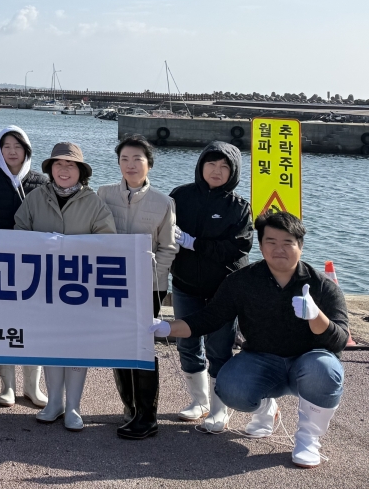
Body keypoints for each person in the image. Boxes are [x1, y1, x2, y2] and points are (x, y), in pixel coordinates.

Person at [156, 212, 349, 469]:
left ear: (300, 246)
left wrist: (316, 316)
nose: (278, 249)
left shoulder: (323, 286)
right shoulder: (242, 281)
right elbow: (208, 319)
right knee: (230, 389)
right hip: (262, 358)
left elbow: (339, 341)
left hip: (310, 360)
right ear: (260, 245)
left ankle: (308, 437)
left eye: (288, 242)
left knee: (324, 370)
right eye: (271, 241)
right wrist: (165, 328)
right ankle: (266, 408)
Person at [13, 142, 115, 431]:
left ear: (81, 171)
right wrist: (39, 244)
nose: (64, 169)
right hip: (42, 285)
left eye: (70, 165)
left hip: (79, 288)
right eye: (58, 164)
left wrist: (74, 247)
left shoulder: (93, 202)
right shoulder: (35, 198)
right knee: (49, 343)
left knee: (76, 346)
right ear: (50, 169)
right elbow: (19, 232)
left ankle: (74, 406)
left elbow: (108, 242)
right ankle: (54, 401)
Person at [97, 135, 177, 440]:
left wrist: (154, 279)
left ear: (149, 164)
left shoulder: (163, 202)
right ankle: (129, 408)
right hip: (111, 284)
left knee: (142, 346)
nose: (130, 165)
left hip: (149, 286)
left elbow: (169, 247)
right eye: (124, 159)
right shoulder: (102, 194)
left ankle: (148, 415)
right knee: (119, 344)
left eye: (137, 159)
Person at [168, 141, 251, 431]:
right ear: (201, 166)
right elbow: (163, 230)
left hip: (224, 290)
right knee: (187, 342)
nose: (216, 171)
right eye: (211, 164)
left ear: (234, 172)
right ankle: (199, 401)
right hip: (185, 283)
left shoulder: (239, 207)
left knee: (220, 346)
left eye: (224, 167)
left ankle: (220, 407)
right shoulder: (180, 195)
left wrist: (195, 244)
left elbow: (239, 248)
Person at [0, 125, 50, 407]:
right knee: (3, 325)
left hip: (33, 266)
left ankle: (33, 386)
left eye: (17, 146)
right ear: (0, 150)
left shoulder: (41, 182)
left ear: (26, 149)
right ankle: (8, 385)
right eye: (6, 146)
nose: (12, 151)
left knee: (33, 325)